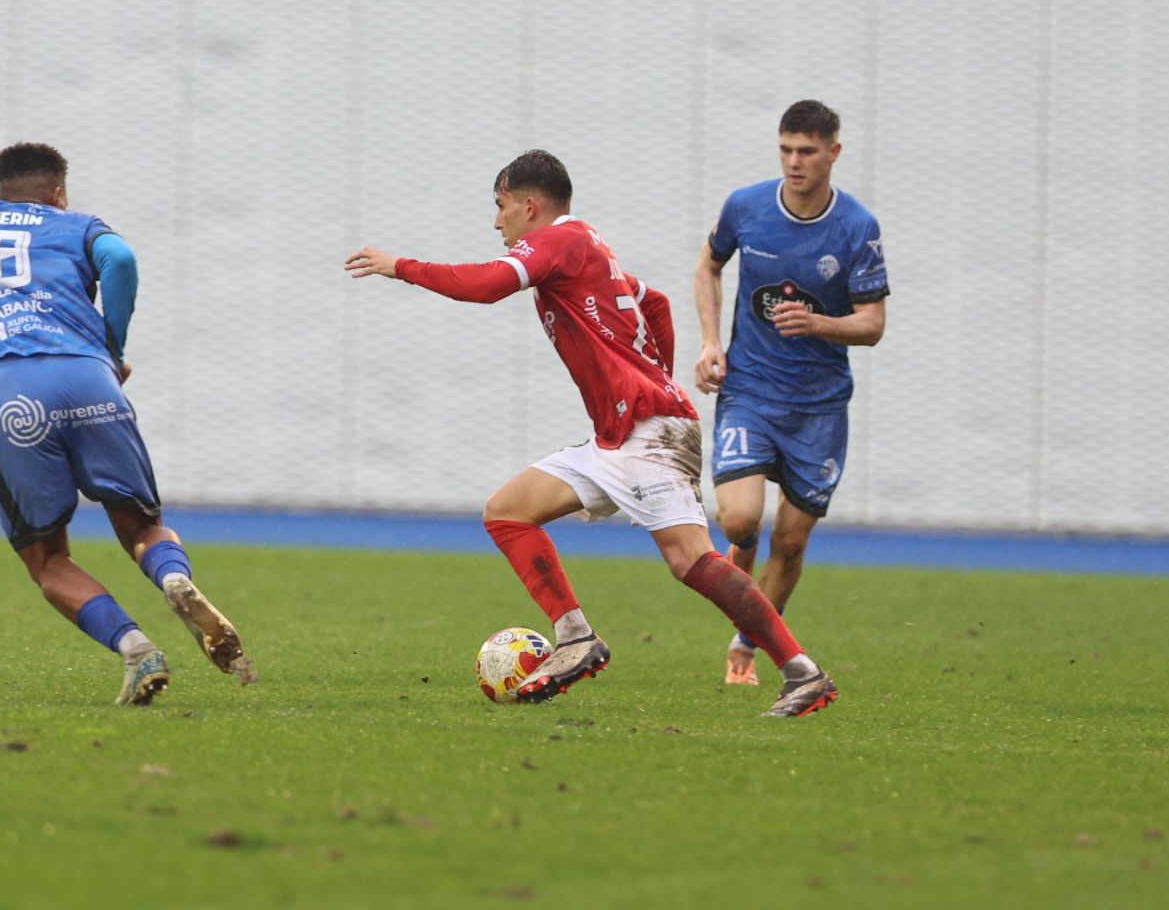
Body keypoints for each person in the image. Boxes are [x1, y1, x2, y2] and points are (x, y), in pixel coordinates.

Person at [347, 150, 837, 717]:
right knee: (507, 511)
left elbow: (483, 286)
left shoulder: (557, 241)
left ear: (530, 206)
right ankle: (576, 636)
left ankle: (802, 672)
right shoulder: (586, 245)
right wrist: (654, 373)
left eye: (501, 207)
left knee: (691, 562)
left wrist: (399, 265)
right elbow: (652, 300)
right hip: (625, 430)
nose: (497, 222)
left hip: (649, 430)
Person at [0, 139, 256, 705]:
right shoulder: (76, 224)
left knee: (48, 559)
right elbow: (120, 260)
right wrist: (112, 345)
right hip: (90, 380)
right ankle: (172, 579)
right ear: (56, 192)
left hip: (11, 393)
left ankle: (137, 649)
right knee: (142, 527)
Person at [693, 100, 888, 686]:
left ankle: (747, 646)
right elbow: (708, 266)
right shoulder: (746, 206)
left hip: (820, 406)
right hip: (751, 388)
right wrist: (709, 343)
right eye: (786, 150)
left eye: (807, 151)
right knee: (739, 520)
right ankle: (743, 553)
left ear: (833, 152)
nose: (794, 162)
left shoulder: (856, 228)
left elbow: (872, 324)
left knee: (793, 539)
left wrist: (820, 324)